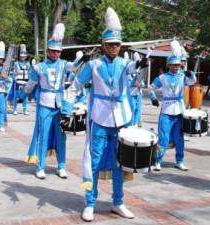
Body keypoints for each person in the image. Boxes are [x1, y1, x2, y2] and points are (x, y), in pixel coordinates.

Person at [63, 8, 144, 222]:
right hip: (98, 119)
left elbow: (133, 68)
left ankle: (118, 202)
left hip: (121, 120)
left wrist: (140, 64)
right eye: (110, 44)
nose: (114, 48)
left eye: (117, 44)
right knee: (94, 161)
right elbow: (75, 86)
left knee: (120, 162)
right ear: (103, 45)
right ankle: (90, 202)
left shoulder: (126, 63)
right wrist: (65, 109)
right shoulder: (93, 64)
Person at [23, 23, 83, 179]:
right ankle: (40, 166)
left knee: (61, 135)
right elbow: (31, 84)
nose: (55, 53)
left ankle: (61, 166)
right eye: (53, 51)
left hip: (60, 105)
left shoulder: (64, 64)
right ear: (48, 51)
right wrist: (24, 92)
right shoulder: (39, 67)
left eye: (58, 51)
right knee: (43, 135)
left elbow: (74, 66)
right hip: (44, 104)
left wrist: (80, 58)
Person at [149, 40, 196, 171]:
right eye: (173, 65)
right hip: (166, 111)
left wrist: (190, 74)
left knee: (179, 139)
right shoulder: (162, 77)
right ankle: (158, 160)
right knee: (163, 138)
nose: (176, 67)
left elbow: (192, 82)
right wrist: (153, 98)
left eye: (178, 65)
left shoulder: (182, 76)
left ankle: (179, 161)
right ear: (169, 65)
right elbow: (151, 87)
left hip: (180, 111)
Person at [11, 44, 31, 115]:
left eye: (24, 56)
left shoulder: (28, 64)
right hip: (18, 82)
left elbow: (30, 72)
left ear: (25, 57)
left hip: (25, 82)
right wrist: (15, 79)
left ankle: (25, 110)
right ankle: (14, 109)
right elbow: (13, 73)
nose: (23, 57)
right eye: (21, 56)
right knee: (16, 96)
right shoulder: (16, 63)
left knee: (25, 97)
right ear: (20, 56)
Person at [128, 52, 145, 126]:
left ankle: (136, 123)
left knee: (138, 109)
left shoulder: (139, 72)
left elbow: (142, 82)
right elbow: (127, 83)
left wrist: (141, 84)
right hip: (131, 93)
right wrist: (134, 83)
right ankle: (131, 124)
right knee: (132, 109)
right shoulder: (129, 72)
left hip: (139, 93)